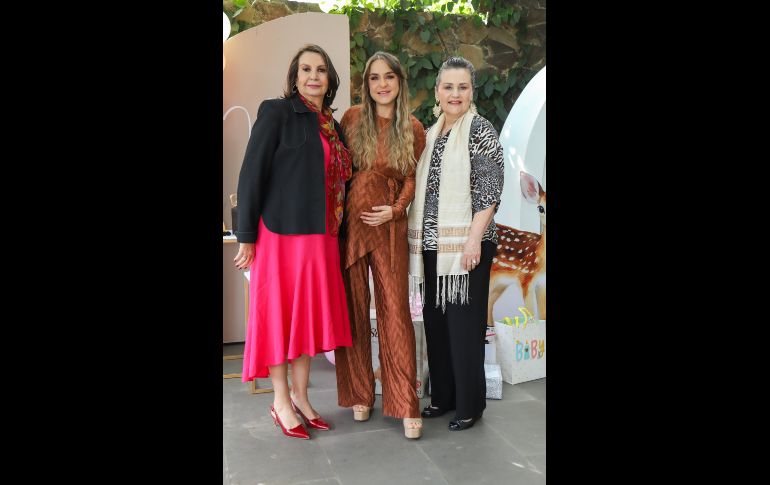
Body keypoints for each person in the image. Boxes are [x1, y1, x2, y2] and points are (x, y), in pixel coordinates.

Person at [233, 44, 353, 440]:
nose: (313, 76)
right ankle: (281, 401)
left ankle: (301, 398)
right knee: (281, 320)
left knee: (305, 320)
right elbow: (251, 174)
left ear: (330, 79)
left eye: (320, 70)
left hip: (319, 238)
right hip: (280, 235)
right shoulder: (277, 112)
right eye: (306, 69)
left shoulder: (330, 126)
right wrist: (247, 236)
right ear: (295, 76)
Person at [407, 56, 504, 431]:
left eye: (462, 87)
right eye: (448, 86)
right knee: (436, 325)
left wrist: (473, 241)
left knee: (464, 328)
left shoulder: (480, 130)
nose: (455, 93)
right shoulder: (431, 134)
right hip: (432, 248)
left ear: (471, 91)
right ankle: (444, 397)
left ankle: (470, 405)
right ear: (437, 92)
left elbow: (490, 191)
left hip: (468, 247)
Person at [333, 52, 426, 439]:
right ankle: (360, 393)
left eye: (389, 77)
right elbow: (338, 171)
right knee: (352, 310)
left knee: (395, 313)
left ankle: (405, 402)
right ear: (366, 84)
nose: (382, 84)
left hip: (389, 228)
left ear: (400, 81)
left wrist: (396, 210)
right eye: (374, 78)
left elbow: (410, 178)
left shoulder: (414, 127)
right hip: (351, 228)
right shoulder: (352, 119)